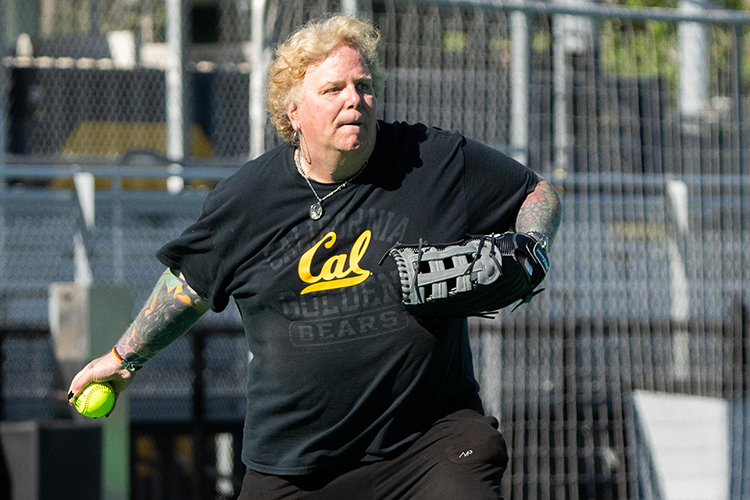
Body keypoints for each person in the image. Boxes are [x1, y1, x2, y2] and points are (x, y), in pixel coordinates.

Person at [68, 14, 562, 500]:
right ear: (293, 113)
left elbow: (535, 193)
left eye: (364, 86)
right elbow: (188, 286)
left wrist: (533, 247)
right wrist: (122, 358)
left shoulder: (430, 159)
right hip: (297, 466)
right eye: (333, 90)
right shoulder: (249, 200)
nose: (355, 99)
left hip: (429, 445)